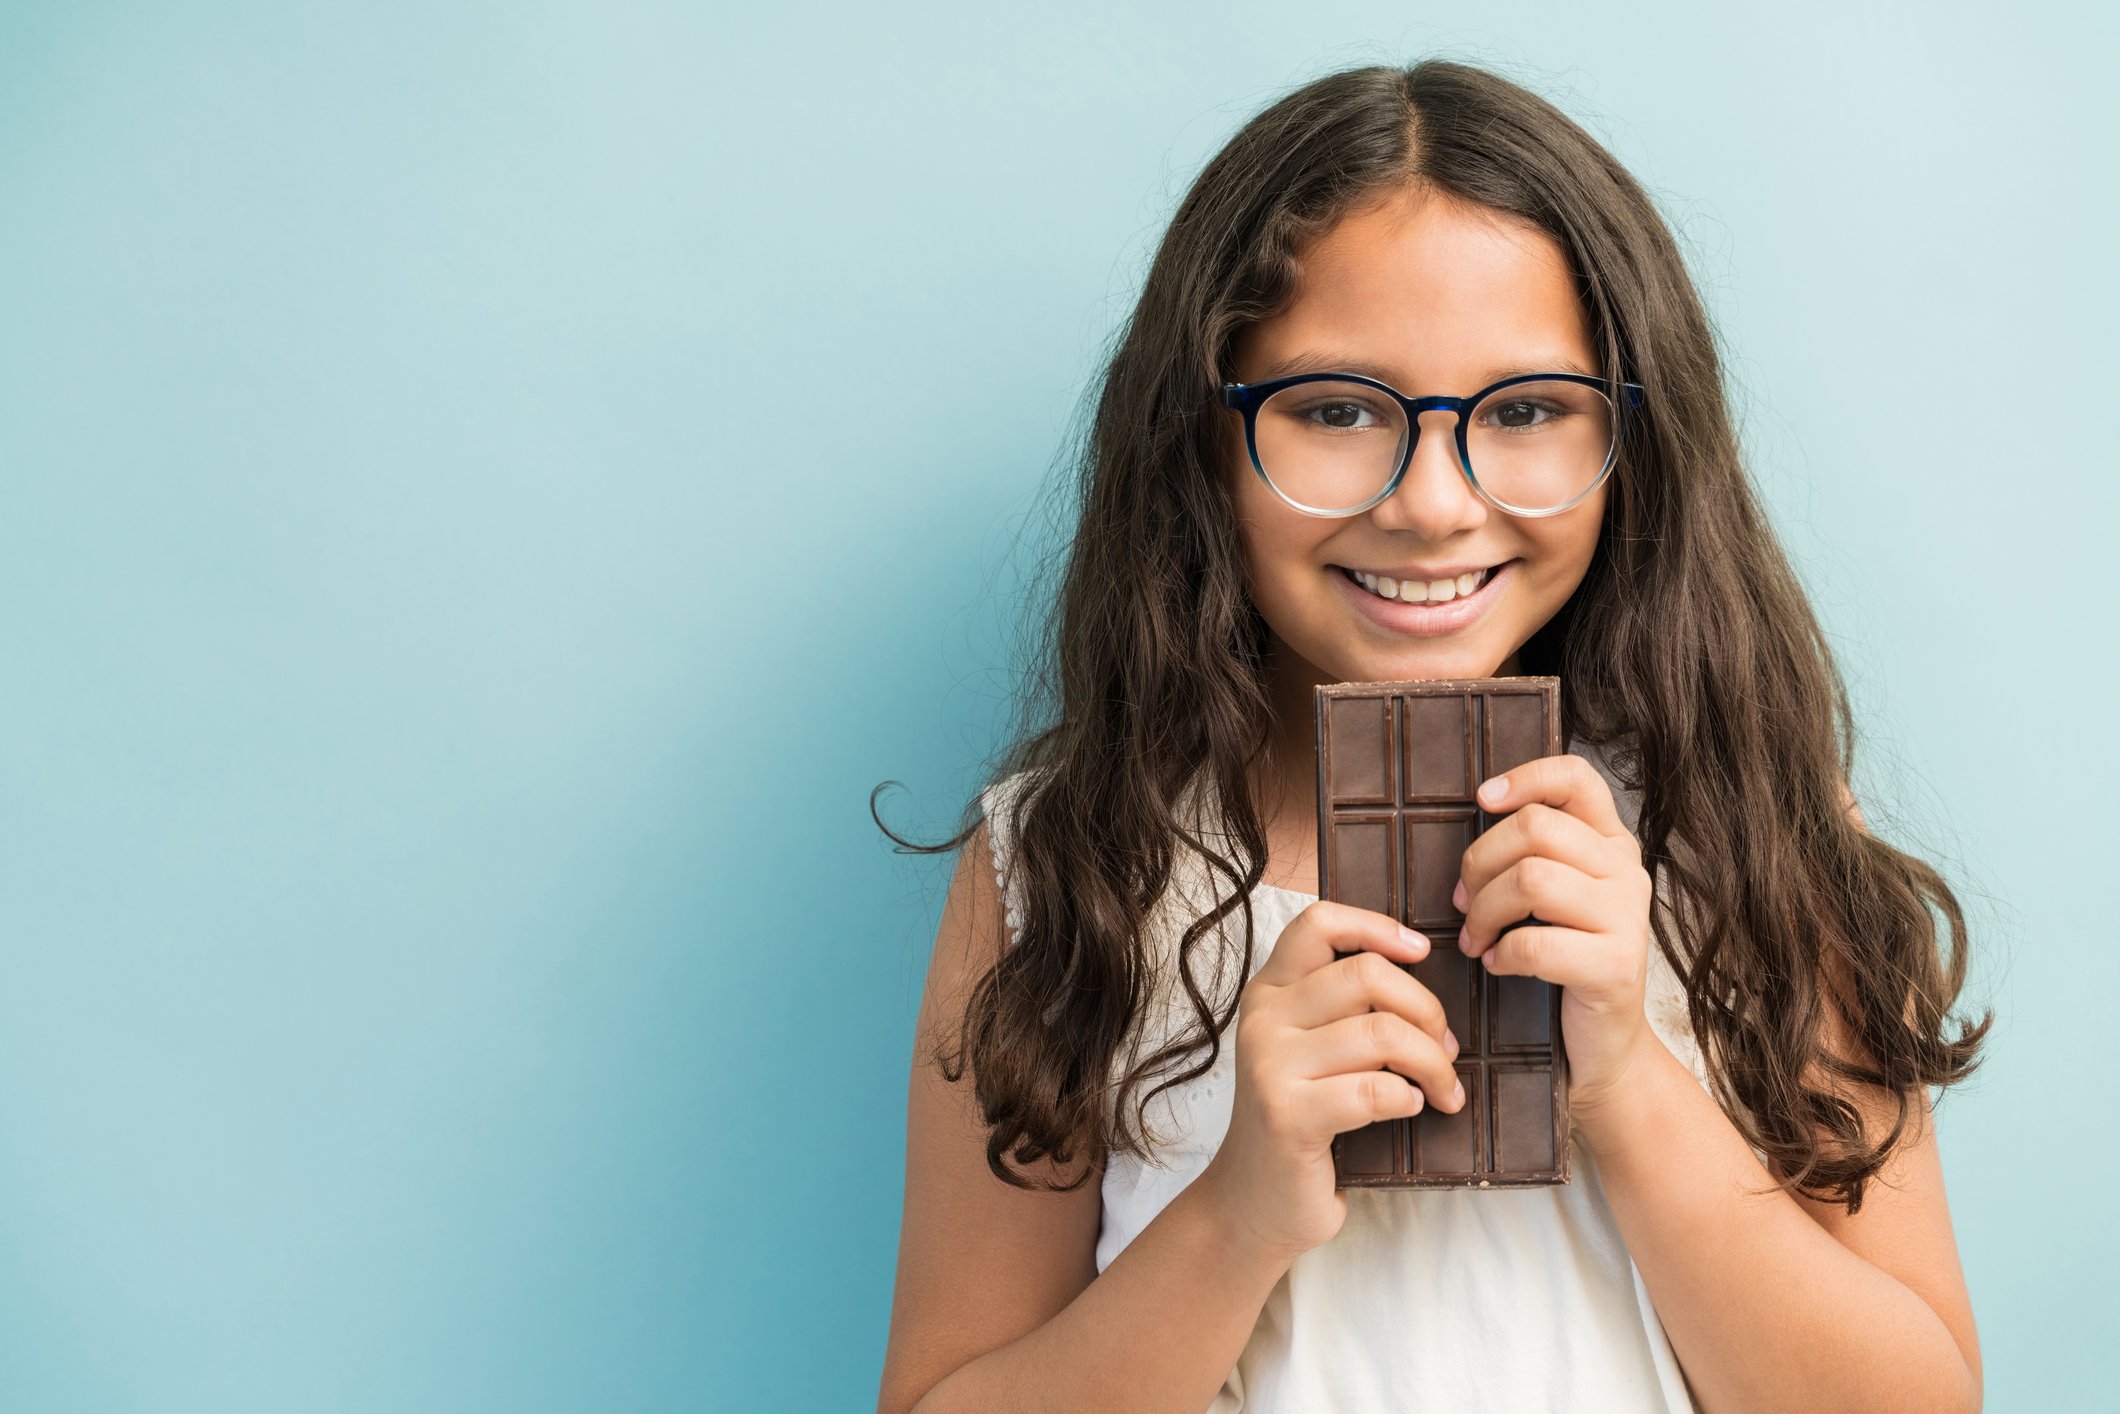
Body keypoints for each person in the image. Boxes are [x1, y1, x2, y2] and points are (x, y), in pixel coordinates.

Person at [875, 58, 1990, 1414]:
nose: (1432, 504)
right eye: (1339, 411)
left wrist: (1630, 1076)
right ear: (1205, 437)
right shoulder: (1067, 868)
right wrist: (1240, 1211)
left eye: (1524, 411)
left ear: (1632, 437)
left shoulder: (1747, 826)